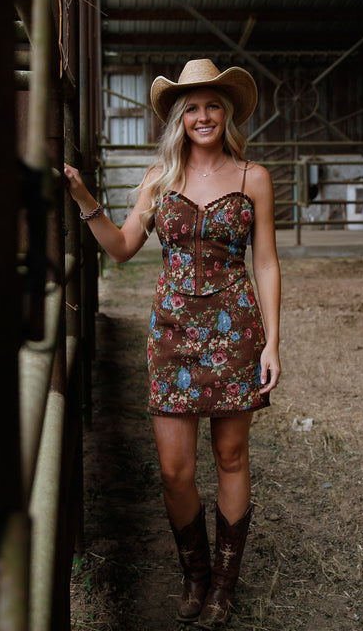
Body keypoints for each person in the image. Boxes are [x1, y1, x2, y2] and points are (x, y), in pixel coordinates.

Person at [64, 58, 281, 629]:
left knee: (231, 456)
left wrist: (273, 343)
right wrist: (86, 199)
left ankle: (223, 586)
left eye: (212, 105)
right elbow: (121, 247)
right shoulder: (158, 181)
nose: (203, 116)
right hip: (174, 336)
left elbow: (266, 262)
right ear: (179, 119)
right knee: (174, 470)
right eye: (193, 108)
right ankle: (195, 573)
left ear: (225, 112)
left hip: (236, 332)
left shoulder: (251, 177)